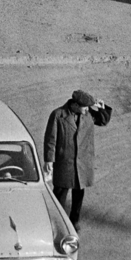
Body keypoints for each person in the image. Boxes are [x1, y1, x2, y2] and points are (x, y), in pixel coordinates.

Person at [43, 90, 113, 227]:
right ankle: (57, 223)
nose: (87, 109)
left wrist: (102, 108)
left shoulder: (88, 115)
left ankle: (74, 221)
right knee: (60, 193)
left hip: (82, 162)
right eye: (84, 106)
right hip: (65, 162)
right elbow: (50, 139)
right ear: (75, 105)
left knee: (79, 193)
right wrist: (49, 160)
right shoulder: (58, 115)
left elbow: (103, 121)